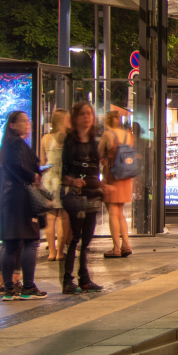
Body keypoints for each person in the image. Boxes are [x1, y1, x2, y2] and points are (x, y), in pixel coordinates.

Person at [0, 111, 46, 300]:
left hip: (8, 200)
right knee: (31, 241)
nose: (28, 123)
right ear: (12, 125)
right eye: (23, 121)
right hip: (21, 200)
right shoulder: (16, 144)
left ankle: (8, 288)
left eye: (28, 120)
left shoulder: (6, 145)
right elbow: (20, 166)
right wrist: (33, 176)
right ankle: (28, 287)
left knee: (10, 243)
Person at [60, 101, 105, 294]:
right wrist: (71, 181)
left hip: (92, 195)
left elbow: (98, 168)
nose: (87, 118)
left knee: (87, 241)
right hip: (76, 196)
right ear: (76, 118)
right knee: (74, 239)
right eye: (83, 114)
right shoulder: (69, 141)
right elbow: (61, 171)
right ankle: (67, 280)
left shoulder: (96, 141)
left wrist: (103, 185)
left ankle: (84, 279)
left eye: (90, 114)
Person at [98, 110, 134, 258]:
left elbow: (98, 153)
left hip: (112, 176)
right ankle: (126, 245)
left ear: (107, 121)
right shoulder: (128, 135)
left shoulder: (107, 135)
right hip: (126, 176)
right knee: (120, 212)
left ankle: (116, 248)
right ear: (118, 120)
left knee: (112, 212)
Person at [39, 108, 69, 262]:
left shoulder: (46, 138)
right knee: (63, 217)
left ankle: (51, 251)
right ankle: (60, 252)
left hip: (49, 181)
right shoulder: (67, 138)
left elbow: (42, 162)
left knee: (50, 218)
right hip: (62, 180)